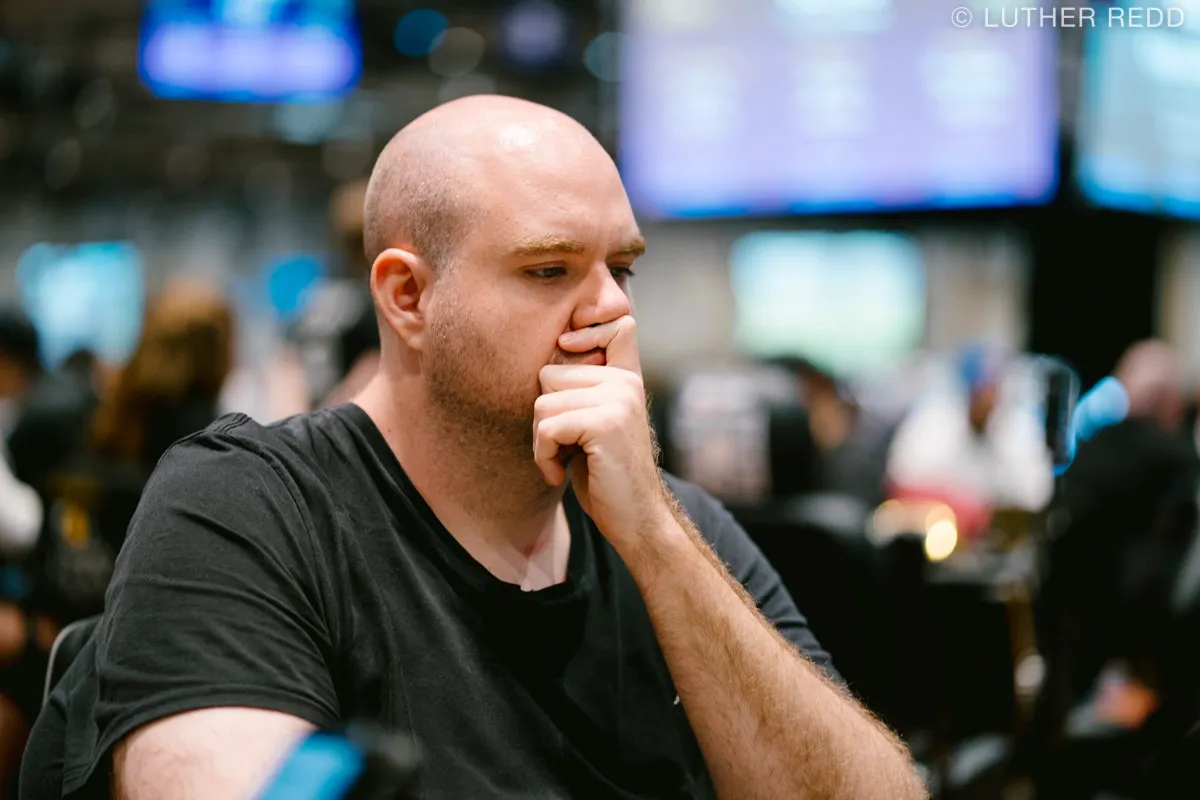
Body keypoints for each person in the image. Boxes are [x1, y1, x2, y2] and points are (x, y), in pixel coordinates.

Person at [22, 96, 925, 800]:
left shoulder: (679, 531)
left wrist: (657, 540)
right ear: (408, 298)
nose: (613, 311)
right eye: (549, 270)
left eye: (623, 268)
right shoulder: (245, 508)